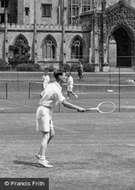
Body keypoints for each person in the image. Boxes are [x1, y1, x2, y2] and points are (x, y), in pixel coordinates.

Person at [36, 69, 85, 168]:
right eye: (64, 75)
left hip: (47, 110)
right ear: (59, 77)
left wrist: (48, 99)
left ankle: (39, 153)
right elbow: (65, 103)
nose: (66, 77)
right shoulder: (56, 89)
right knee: (46, 136)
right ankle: (42, 159)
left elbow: (41, 94)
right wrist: (78, 108)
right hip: (44, 111)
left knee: (52, 134)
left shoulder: (52, 86)